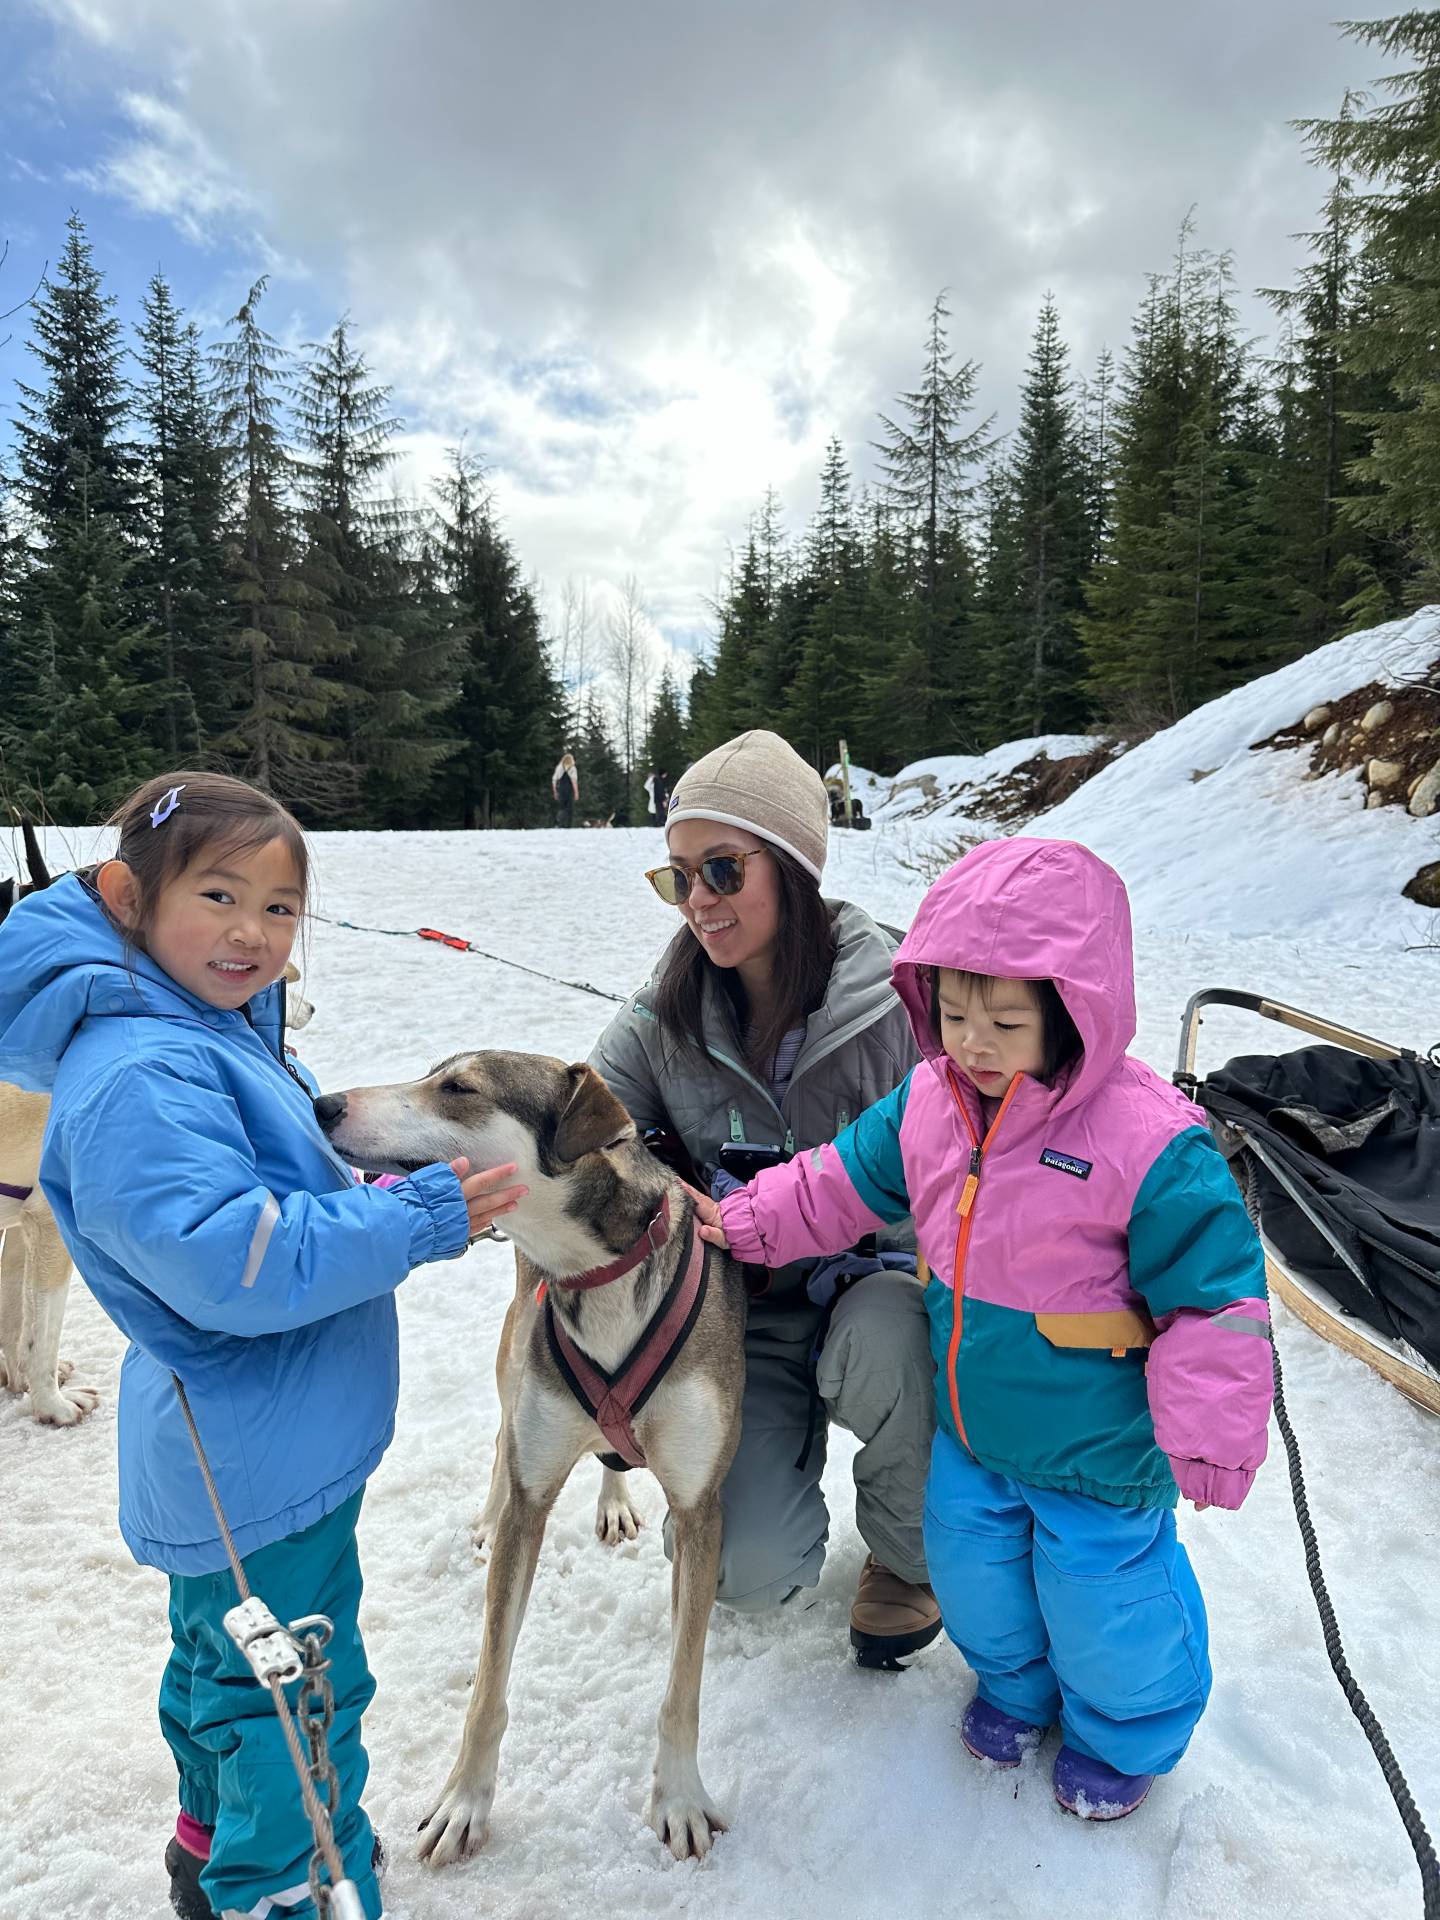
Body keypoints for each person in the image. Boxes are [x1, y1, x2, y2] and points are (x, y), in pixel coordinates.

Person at [0, 771, 526, 1920]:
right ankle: (291, 1886)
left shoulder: (187, 1022)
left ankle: (212, 1841)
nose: (253, 932)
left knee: (221, 1670)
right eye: (221, 895)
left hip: (238, 1450)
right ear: (131, 899)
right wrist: (416, 1215)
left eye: (281, 908)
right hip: (259, 1463)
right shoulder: (146, 1067)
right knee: (297, 1703)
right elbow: (236, 1258)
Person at [699, 838, 1272, 1819]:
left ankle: (1120, 1738)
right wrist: (748, 1221)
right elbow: (840, 1178)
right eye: (955, 1014)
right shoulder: (929, 1103)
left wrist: (1215, 1432)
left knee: (1105, 1602)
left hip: (1097, 1449)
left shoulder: (1150, 1143)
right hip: (975, 1431)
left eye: (1005, 1020)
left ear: (1074, 1010)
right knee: (977, 1576)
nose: (974, 1041)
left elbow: (1215, 1301)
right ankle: (1015, 1690)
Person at [590, 729, 941, 1666]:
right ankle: (767, 1498)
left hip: (878, 1293)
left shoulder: (909, 1002)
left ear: (791, 867)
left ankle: (909, 1562)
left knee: (895, 1340)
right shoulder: (660, 1016)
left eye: (721, 869)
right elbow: (578, 1129)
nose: (698, 902)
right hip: (738, 1317)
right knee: (741, 1577)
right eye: (677, 877)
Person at [552, 749, 579, 828]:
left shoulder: (559, 768)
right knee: (569, 808)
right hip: (569, 789)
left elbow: (554, 780)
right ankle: (568, 825)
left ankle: (560, 824)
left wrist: (555, 791)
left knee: (562, 807)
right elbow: (574, 781)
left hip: (561, 788)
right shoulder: (572, 768)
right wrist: (576, 792)